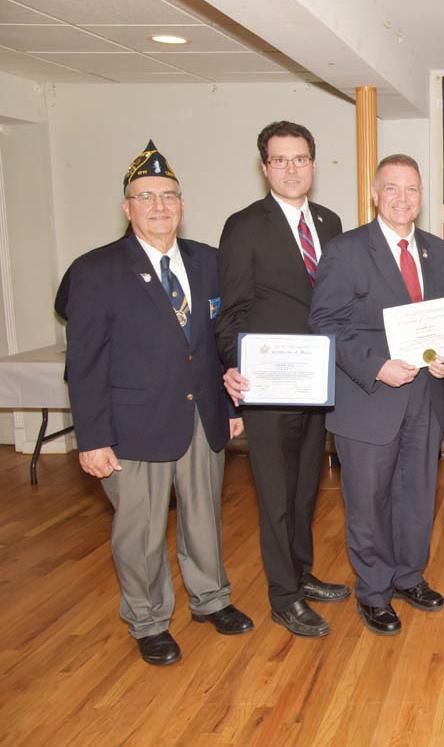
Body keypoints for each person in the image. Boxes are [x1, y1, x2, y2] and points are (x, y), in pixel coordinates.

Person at [61, 140, 252, 666]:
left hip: (202, 417)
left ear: (182, 205)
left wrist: (231, 408)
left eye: (168, 196)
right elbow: (84, 363)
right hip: (133, 426)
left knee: (204, 518)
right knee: (140, 531)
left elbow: (217, 345)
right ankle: (148, 620)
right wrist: (92, 438)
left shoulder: (209, 262)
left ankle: (211, 598)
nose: (159, 206)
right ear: (127, 208)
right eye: (145, 197)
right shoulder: (96, 270)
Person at [309, 154, 444, 636]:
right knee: (368, 503)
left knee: (417, 498)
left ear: (421, 195)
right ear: (374, 194)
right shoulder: (346, 250)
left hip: (425, 398)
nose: (401, 198)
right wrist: (376, 366)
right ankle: (373, 591)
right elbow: (325, 325)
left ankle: (408, 577)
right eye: (391, 188)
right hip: (368, 399)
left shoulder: (438, 252)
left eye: (411, 188)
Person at [217, 121, 348, 638]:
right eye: (280, 160)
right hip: (269, 386)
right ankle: (283, 597)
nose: (291, 169)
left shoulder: (330, 223)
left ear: (313, 164)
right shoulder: (244, 226)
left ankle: (301, 573)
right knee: (275, 495)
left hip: (317, 385)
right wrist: (235, 365)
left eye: (300, 159)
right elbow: (232, 312)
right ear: (264, 167)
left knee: (305, 488)